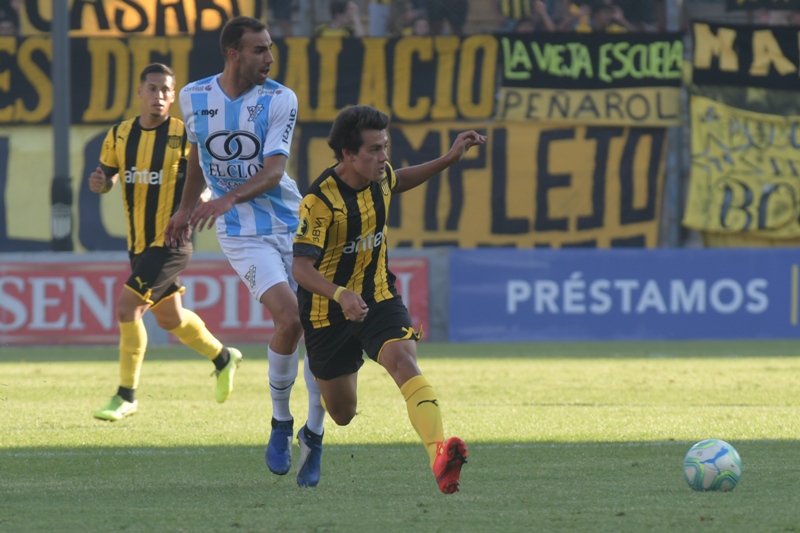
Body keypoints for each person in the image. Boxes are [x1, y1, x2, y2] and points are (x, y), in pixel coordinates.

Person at [164, 16, 326, 487]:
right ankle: (281, 421)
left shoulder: (279, 99)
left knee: (317, 329)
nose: (269, 58)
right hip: (241, 232)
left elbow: (275, 171)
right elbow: (198, 156)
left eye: (270, 49)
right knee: (292, 318)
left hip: (296, 225)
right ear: (233, 53)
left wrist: (226, 195)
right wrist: (185, 207)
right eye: (259, 50)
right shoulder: (192, 97)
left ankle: (313, 436)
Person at [292, 105, 486, 494]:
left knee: (403, 360)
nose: (384, 158)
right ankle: (312, 435)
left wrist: (449, 158)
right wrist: (339, 293)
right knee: (343, 413)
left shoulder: (380, 177)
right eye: (374, 150)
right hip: (326, 311)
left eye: (386, 147)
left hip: (378, 294)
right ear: (348, 154)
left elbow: (399, 180)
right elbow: (300, 268)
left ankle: (439, 454)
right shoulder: (320, 201)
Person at [89, 63, 242, 422]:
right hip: (139, 244)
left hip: (172, 240)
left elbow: (204, 175)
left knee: (128, 308)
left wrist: (203, 196)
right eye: (152, 88)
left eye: (165, 90)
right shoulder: (120, 134)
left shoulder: (186, 135)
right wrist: (102, 183)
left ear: (173, 98)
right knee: (171, 318)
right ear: (140, 93)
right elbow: (108, 177)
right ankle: (223, 357)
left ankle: (126, 395)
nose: (158, 95)